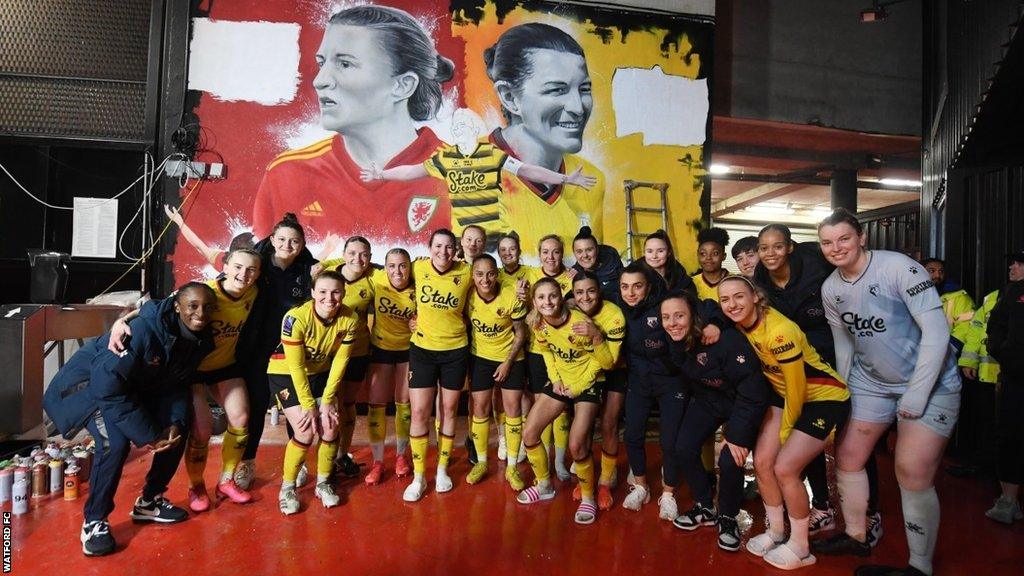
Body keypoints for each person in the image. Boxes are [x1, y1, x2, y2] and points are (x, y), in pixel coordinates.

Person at [813, 209, 962, 576]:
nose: (836, 248)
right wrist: (844, 391)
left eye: (843, 239)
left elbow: (938, 333)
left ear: (861, 237)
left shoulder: (899, 268)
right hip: (872, 383)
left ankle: (919, 566)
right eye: (827, 242)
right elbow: (844, 344)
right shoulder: (831, 287)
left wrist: (917, 392)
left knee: (911, 470)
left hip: (930, 383)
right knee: (847, 455)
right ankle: (857, 535)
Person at [252, 5, 455, 246]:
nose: (320, 81)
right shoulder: (286, 174)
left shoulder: (464, 173)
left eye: (345, 64)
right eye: (321, 63)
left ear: (403, 85)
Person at [44, 283, 216, 556]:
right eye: (193, 306)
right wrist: (149, 434)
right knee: (115, 443)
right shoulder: (141, 332)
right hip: (90, 389)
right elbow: (107, 387)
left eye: (207, 307)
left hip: (136, 387)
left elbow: (177, 382)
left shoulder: (200, 338)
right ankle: (95, 520)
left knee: (178, 428)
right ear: (177, 306)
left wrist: (171, 420)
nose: (200, 313)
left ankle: (149, 501)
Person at [111, 249, 262, 510]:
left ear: (258, 274)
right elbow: (157, 308)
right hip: (193, 368)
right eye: (238, 267)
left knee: (241, 418)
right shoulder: (204, 292)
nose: (243, 274)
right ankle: (196, 487)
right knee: (202, 429)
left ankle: (226, 481)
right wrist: (120, 321)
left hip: (225, 366)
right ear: (225, 267)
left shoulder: (253, 293)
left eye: (251, 270)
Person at [718, 275, 849, 570]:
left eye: (738, 296)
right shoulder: (739, 324)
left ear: (755, 296)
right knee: (763, 461)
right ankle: (777, 531)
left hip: (822, 397)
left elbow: (797, 389)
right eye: (724, 300)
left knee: (785, 467)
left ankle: (802, 546)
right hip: (782, 393)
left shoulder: (780, 331)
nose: (732, 304)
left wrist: (787, 433)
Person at [752, 223, 855, 539]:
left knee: (848, 444)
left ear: (790, 247)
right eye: (764, 248)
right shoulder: (759, 280)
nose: (770, 254)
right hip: (787, 366)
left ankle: (857, 513)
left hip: (826, 361)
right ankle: (813, 509)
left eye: (777, 246)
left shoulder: (817, 265)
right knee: (798, 444)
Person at [359, 125, 597, 244]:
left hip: (494, 239)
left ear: (473, 130)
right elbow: (412, 171)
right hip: (463, 241)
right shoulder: (446, 157)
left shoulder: (490, 153)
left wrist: (565, 178)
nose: (460, 129)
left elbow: (526, 169)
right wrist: (381, 174)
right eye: (457, 126)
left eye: (465, 125)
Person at [483, 22, 606, 252]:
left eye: (584, 89)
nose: (578, 108)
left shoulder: (591, 180)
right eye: (556, 90)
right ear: (509, 97)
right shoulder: (467, 168)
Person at [662, 289, 768, 552]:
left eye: (679, 316)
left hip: (742, 403)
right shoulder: (675, 341)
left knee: (730, 458)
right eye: (666, 317)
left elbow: (753, 390)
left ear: (693, 316)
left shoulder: (725, 341)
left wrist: (737, 434)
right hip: (708, 400)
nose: (672, 323)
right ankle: (705, 506)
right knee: (683, 447)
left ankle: (728, 517)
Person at [515, 278, 620, 525]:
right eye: (541, 297)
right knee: (529, 433)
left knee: (577, 444)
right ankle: (544, 486)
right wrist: (555, 380)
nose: (547, 302)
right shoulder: (539, 325)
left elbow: (604, 363)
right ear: (534, 301)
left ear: (561, 297)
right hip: (562, 381)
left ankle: (587, 497)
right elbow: (548, 353)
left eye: (552, 296)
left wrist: (579, 385)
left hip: (588, 382)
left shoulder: (581, 322)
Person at [234, 213, 318, 491]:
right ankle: (246, 461)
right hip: (256, 348)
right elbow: (220, 286)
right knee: (257, 405)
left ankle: (300, 462)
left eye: (294, 241)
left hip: (290, 351)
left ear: (302, 243)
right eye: (281, 239)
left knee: (298, 408)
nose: (287, 245)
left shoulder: (308, 269)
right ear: (272, 240)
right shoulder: (254, 266)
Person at [270, 271, 358, 514]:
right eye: (322, 292)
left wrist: (328, 400)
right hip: (285, 371)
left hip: (320, 372)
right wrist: (309, 404)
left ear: (343, 293)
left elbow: (340, 362)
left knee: (330, 425)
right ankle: (287, 489)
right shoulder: (295, 318)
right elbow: (296, 366)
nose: (329, 298)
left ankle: (323, 483)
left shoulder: (350, 319)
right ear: (312, 294)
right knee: (305, 430)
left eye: (336, 292)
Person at [404, 229, 472, 502]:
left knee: (449, 409)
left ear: (455, 249)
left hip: (456, 350)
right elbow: (389, 279)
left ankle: (442, 469)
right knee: (419, 411)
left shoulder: (466, 272)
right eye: (438, 246)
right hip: (422, 349)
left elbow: (495, 281)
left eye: (449, 247)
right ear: (429, 247)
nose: (443, 252)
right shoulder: (417, 267)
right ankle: (419, 476)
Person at [617, 262, 689, 519]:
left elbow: (698, 311)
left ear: (648, 286)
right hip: (639, 382)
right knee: (633, 436)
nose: (631, 292)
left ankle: (668, 494)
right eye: (625, 287)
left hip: (671, 382)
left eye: (637, 286)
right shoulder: (619, 309)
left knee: (669, 441)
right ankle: (641, 487)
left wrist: (712, 324)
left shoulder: (664, 306)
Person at [465, 254, 529, 488]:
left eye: (490, 273)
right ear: (473, 275)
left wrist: (508, 362)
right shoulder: (468, 295)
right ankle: (481, 462)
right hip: (480, 358)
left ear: (497, 273)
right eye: (480, 274)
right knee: (480, 408)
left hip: (511, 358)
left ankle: (512, 467)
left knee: (512, 409)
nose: (486, 279)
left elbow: (521, 333)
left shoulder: (511, 295)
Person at [567, 271, 626, 510]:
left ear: (599, 290)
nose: (585, 297)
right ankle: (587, 478)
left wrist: (596, 335)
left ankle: (604, 482)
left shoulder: (614, 315)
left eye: (590, 291)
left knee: (609, 423)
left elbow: (609, 362)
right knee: (585, 426)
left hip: (614, 369)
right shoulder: (570, 312)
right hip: (585, 372)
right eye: (579, 292)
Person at [522, 234, 575, 481]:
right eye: (545, 252)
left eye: (555, 252)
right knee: (540, 407)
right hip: (537, 351)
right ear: (539, 253)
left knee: (561, 409)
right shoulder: (529, 275)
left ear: (561, 253)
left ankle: (561, 462)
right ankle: (542, 466)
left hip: (563, 354)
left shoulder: (572, 277)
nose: (550, 257)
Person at [365, 248, 417, 484]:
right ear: (384, 268)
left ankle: (400, 456)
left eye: (403, 265)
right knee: (376, 404)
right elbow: (343, 263)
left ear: (410, 267)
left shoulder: (418, 287)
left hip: (408, 350)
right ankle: (377, 462)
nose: (398, 271)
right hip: (381, 349)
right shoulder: (377, 279)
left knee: (404, 404)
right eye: (392, 266)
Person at [984, 249, 1024, 524]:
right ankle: (1009, 501)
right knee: (1010, 435)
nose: (1013, 266)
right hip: (1016, 377)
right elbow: (995, 326)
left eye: (1019, 263)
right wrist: (1005, 353)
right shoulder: (1011, 293)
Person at [922, 257, 975, 347]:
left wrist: (951, 347)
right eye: (932, 271)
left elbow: (966, 324)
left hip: (947, 350)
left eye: (941, 271)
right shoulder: (909, 295)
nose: (937, 275)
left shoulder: (959, 296)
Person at [570, 225, 623, 302]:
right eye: (579, 251)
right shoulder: (573, 274)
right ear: (574, 253)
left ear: (597, 250)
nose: (585, 255)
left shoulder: (616, 272)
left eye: (589, 250)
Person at [639, 229, 696, 294]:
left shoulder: (681, 278)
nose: (654, 256)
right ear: (644, 253)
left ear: (669, 252)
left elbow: (691, 301)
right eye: (649, 251)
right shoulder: (633, 276)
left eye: (660, 251)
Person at [692, 227, 730, 301]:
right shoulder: (690, 283)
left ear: (724, 256)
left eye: (715, 253)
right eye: (703, 253)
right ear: (698, 255)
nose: (708, 258)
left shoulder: (735, 281)